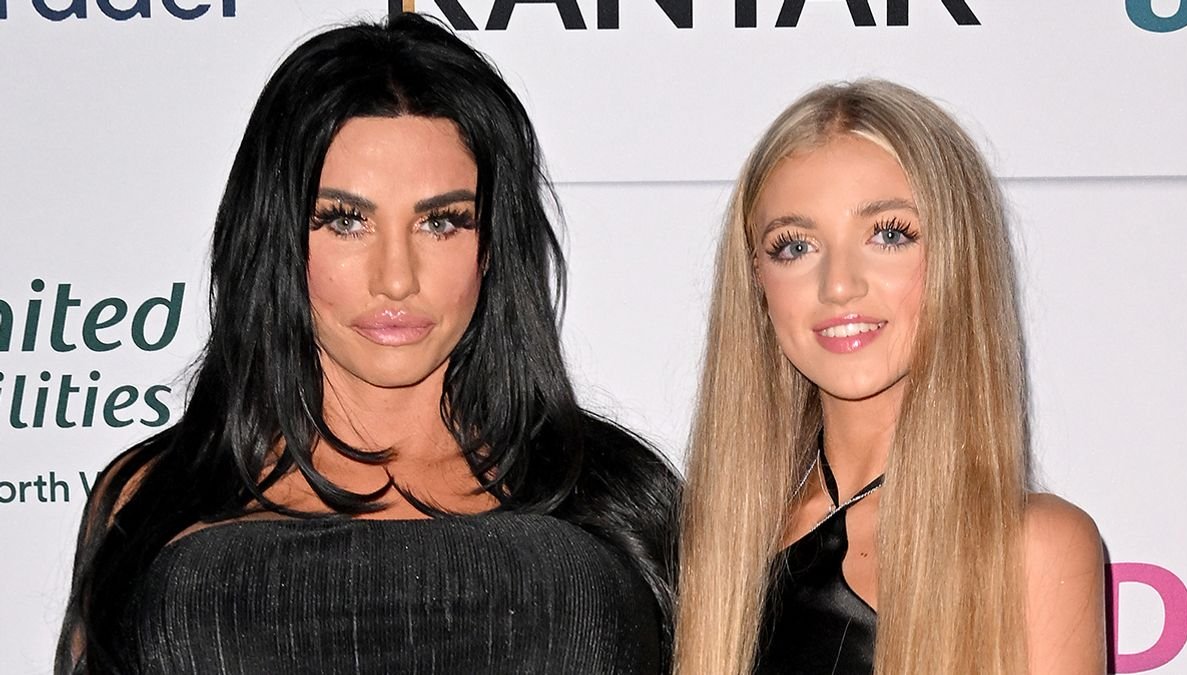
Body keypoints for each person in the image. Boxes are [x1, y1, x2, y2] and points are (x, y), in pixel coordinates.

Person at [57, 13, 677, 675]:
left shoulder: (617, 498)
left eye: (442, 222)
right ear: (277, 235)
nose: (396, 279)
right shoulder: (152, 497)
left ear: (494, 242)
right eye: (345, 220)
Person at [673, 80, 1106, 675]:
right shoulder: (711, 548)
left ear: (958, 255)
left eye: (889, 234)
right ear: (756, 279)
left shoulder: (1031, 549)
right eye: (794, 247)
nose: (838, 285)